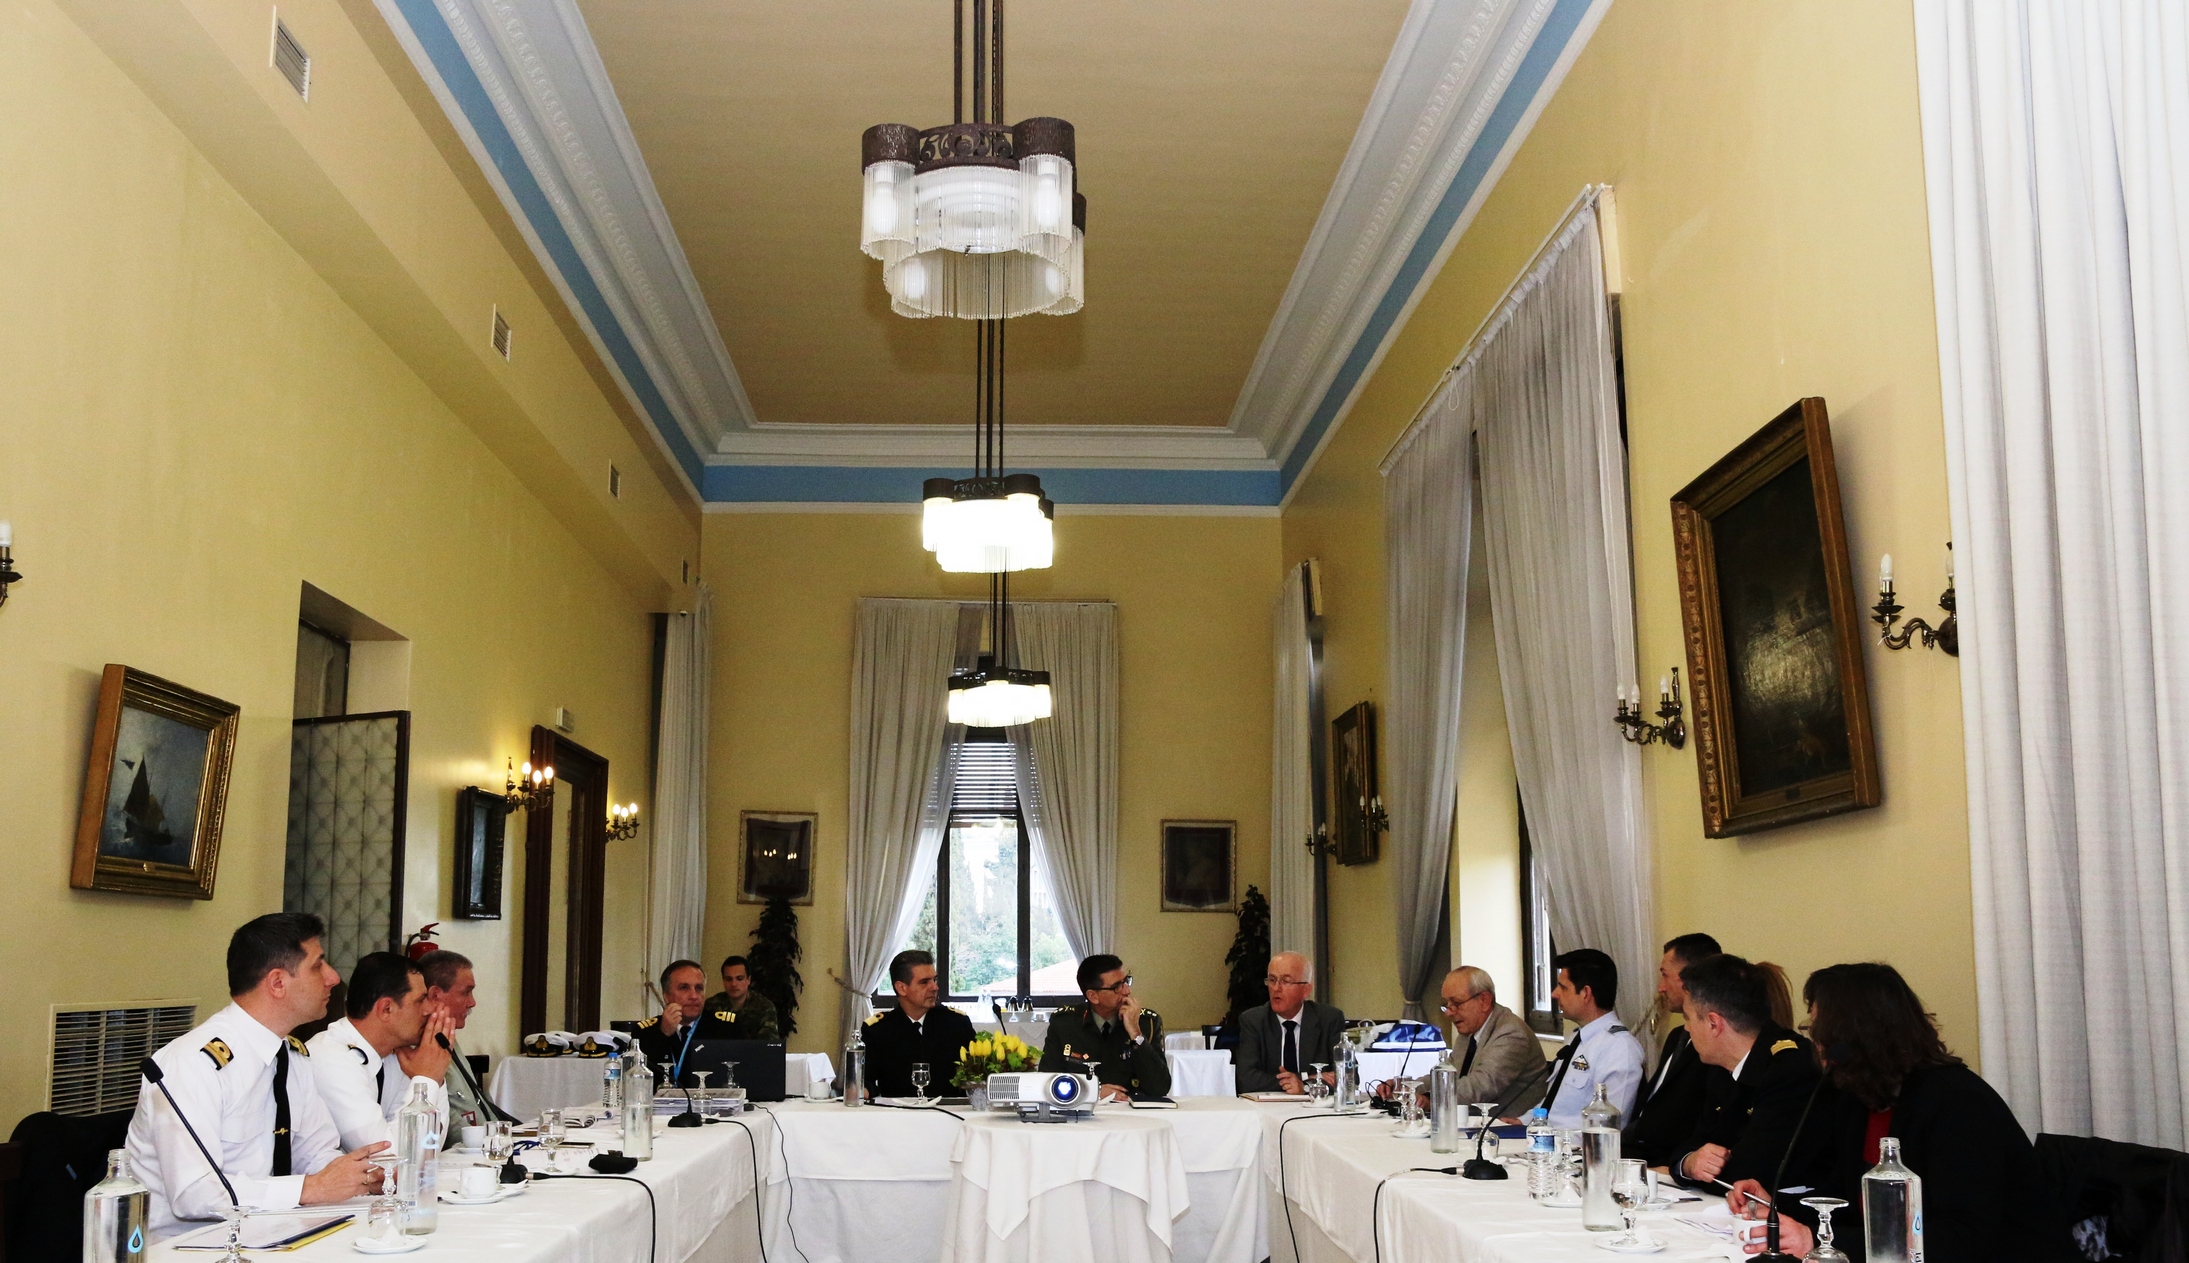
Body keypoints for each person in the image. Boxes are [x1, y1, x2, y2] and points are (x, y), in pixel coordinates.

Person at [1727, 963, 2074, 1262]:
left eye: (1818, 1030)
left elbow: (1963, 1236)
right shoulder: (1858, 1098)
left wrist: (1821, 1242)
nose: (1815, 1042)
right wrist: (1776, 1206)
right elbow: (1845, 1201)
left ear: (1854, 1036)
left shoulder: (1958, 1104)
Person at [126, 913, 387, 1240]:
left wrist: (362, 1175)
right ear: (277, 983)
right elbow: (195, 1194)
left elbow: (314, 1154)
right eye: (318, 965)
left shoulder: (292, 1056)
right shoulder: (193, 1063)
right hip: (185, 1248)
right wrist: (309, 1188)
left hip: (266, 1234)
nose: (333, 977)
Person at [1667, 953, 1831, 1190]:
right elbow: (1692, 1143)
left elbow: (1752, 1172)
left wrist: (1700, 1170)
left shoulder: (1790, 1068)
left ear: (1714, 1023)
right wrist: (1689, 1164)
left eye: (1688, 1018)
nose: (1687, 1028)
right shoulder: (1722, 1067)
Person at [306, 951, 452, 1150]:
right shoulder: (331, 1058)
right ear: (386, 1009)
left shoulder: (396, 1055)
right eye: (420, 1000)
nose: (430, 1010)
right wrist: (427, 1078)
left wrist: (434, 1077)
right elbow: (386, 1155)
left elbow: (429, 1147)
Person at [1622, 933, 1722, 1165]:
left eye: (1665, 975)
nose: (1661, 987)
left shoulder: (1713, 1047)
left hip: (1669, 1162)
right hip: (1633, 1150)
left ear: (1690, 978)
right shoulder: (1677, 1036)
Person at [1040, 954, 1171, 1101]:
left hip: (1131, 1110)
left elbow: (1160, 1087)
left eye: (1126, 981)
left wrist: (1135, 1033)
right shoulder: (1065, 1024)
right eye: (1116, 987)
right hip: (1081, 1109)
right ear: (1093, 996)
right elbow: (1047, 1080)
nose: (1127, 991)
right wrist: (1093, 1091)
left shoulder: (1147, 1023)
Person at [1542, 948, 1644, 1127]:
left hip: (1569, 1144)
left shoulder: (1620, 1049)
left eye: (1563, 987)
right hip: (1543, 1136)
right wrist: (1522, 1121)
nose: (1554, 993)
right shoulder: (1577, 1039)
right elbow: (1554, 1106)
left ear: (1586, 993)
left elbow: (1607, 1127)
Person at [1434, 966, 1552, 1116]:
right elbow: (1446, 1072)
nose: (1449, 1013)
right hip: (1474, 1122)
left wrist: (1430, 1096)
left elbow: (1481, 1087)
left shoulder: (1511, 1033)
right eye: (1447, 1005)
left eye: (1456, 1004)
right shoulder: (1468, 1032)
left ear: (1484, 1000)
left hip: (1511, 1126)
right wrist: (1412, 1089)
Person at [861, 950, 976, 1097]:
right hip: (898, 1110)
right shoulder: (878, 1030)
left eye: (934, 980)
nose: (934, 987)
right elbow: (865, 1080)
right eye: (924, 982)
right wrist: (863, 1090)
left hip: (949, 1109)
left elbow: (976, 1073)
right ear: (902, 988)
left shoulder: (956, 1023)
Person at [417, 949, 513, 1125]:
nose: (472, 1002)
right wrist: (483, 1138)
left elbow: (479, 1103)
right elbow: (445, 1119)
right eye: (466, 992)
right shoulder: (418, 1047)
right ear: (435, 995)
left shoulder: (447, 1037)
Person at [1232, 951, 1347, 1094]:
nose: (1276, 988)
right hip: (1268, 1105)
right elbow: (1246, 1080)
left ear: (1306, 990)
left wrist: (1305, 1087)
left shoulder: (1329, 1019)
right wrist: (1304, 1078)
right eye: (1272, 980)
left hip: (1314, 1105)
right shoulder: (1253, 1021)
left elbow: (1348, 1077)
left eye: (1285, 981)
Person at [635, 960, 740, 1084]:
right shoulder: (646, 1032)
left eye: (699, 988)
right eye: (684, 988)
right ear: (666, 996)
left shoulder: (726, 1028)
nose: (694, 996)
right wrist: (663, 1035)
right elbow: (641, 1081)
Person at [703, 955, 781, 1042]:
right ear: (723, 981)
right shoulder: (711, 1006)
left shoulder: (764, 1008)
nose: (734, 984)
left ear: (748, 980)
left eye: (739, 979)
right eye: (728, 979)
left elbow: (768, 1044)